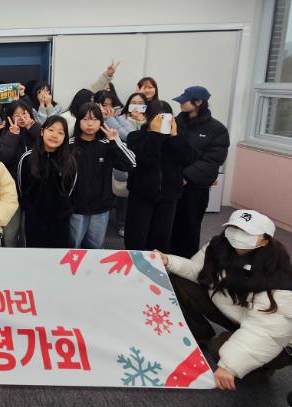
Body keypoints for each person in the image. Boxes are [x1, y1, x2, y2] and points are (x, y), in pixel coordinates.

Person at [157, 210, 292, 390]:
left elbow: (264, 331)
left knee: (223, 351)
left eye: (246, 232)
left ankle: (263, 368)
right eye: (234, 227)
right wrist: (168, 260)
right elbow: (197, 271)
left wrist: (230, 366)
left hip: (276, 335)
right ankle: (202, 335)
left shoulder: (278, 278)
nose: (237, 234)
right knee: (179, 280)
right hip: (240, 313)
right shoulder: (218, 246)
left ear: (264, 240)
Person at [124, 101, 194, 252]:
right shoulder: (136, 137)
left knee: (161, 238)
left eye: (166, 117)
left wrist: (175, 136)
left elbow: (188, 159)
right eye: (158, 118)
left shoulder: (176, 138)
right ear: (148, 117)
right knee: (136, 237)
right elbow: (145, 159)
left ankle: (157, 264)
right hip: (141, 195)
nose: (162, 121)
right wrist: (155, 135)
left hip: (168, 197)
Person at [170, 86, 230, 258]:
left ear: (198, 102)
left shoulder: (217, 129)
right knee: (168, 224)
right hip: (171, 183)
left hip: (195, 188)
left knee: (189, 227)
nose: (180, 103)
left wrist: (186, 176)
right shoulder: (175, 122)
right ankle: (165, 260)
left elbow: (212, 160)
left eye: (184, 100)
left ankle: (186, 263)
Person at [70, 103, 136, 249]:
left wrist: (115, 141)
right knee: (73, 248)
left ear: (101, 121)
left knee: (96, 247)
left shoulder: (107, 144)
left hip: (101, 208)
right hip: (76, 208)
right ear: (78, 121)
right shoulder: (70, 145)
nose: (90, 123)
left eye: (94, 119)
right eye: (85, 119)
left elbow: (131, 163)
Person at [17, 116, 77, 248]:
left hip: (60, 220)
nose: (55, 135)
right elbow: (21, 188)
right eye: (51, 130)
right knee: (35, 253)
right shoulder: (27, 158)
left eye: (60, 132)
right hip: (34, 219)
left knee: (59, 254)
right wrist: (30, 207)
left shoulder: (69, 161)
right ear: (42, 131)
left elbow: (71, 189)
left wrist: (62, 208)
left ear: (65, 137)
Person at [0, 100, 41, 247]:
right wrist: (12, 135)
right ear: (9, 117)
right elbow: (2, 159)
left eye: (24, 113)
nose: (21, 117)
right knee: (10, 236)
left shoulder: (38, 131)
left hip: (34, 193)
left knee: (31, 235)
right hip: (12, 195)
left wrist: (32, 128)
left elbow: (48, 146)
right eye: (16, 115)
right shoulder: (5, 135)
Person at [105, 92, 149, 237]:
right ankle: (122, 223)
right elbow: (126, 135)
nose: (136, 106)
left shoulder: (149, 121)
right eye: (133, 102)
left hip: (143, 162)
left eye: (140, 103)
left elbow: (145, 139)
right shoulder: (120, 118)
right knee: (123, 193)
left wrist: (141, 122)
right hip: (124, 160)